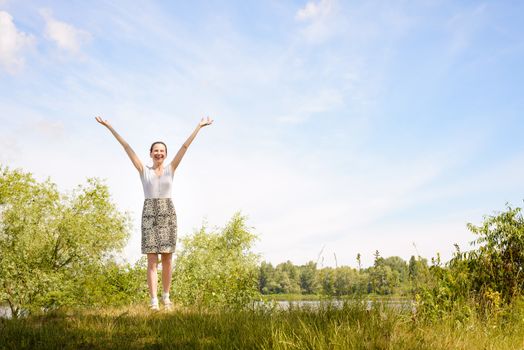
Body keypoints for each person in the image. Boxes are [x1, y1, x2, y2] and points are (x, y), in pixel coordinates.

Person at [95, 116, 213, 310]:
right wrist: (110, 127)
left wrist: (198, 127)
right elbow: (127, 148)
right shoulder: (143, 170)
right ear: (150, 153)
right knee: (151, 260)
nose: (159, 153)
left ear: (165, 154)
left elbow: (184, 147)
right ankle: (153, 302)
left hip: (167, 212)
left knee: (167, 258)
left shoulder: (170, 169)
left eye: (162, 151)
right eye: (156, 150)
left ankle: (166, 297)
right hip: (149, 212)